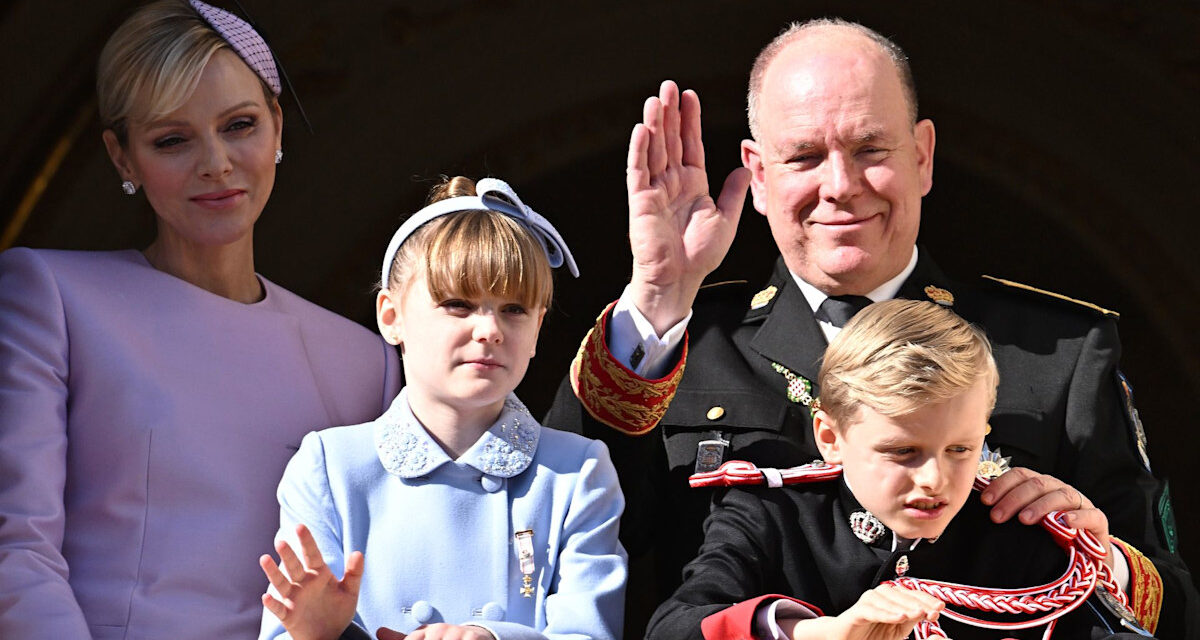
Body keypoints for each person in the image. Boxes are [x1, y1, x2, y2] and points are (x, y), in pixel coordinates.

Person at [547, 18, 1197, 637]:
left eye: (870, 149)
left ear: (923, 157)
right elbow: (557, 546)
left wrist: (1098, 557)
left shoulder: (1058, 355)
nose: (841, 185)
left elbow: (1177, 614)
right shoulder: (689, 344)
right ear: (761, 175)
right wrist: (660, 297)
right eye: (804, 156)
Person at [0, 2, 400, 638]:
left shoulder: (365, 363)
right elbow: (15, 552)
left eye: (239, 124)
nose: (214, 162)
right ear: (122, 157)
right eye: (172, 140)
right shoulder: (51, 296)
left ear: (277, 125)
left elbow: (393, 580)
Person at [256, 177, 626, 640]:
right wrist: (317, 633)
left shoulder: (577, 472)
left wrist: (490, 638)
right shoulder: (331, 466)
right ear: (391, 317)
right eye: (458, 304)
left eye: (514, 309)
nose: (490, 329)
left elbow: (591, 634)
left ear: (538, 329)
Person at [648, 299, 1141, 640]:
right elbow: (675, 627)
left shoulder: (1015, 530)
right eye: (903, 452)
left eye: (961, 449)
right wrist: (820, 632)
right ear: (829, 438)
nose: (934, 479)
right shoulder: (771, 514)